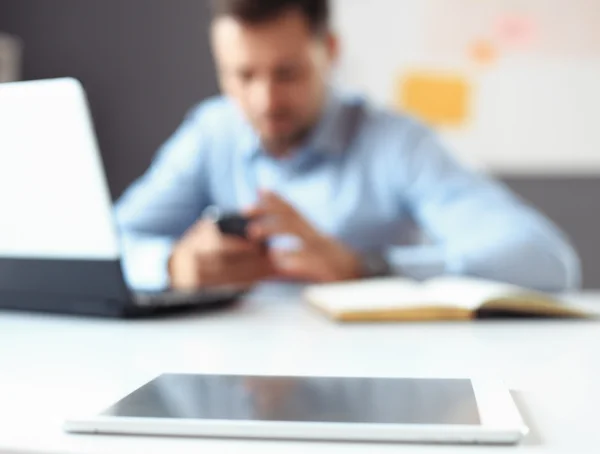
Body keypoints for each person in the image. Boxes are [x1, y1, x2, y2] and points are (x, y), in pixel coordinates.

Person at [115, 0, 580, 293]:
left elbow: (545, 261)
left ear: (330, 51)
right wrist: (172, 265)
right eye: (243, 76)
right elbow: (103, 247)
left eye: (288, 73)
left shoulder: (396, 144)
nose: (265, 100)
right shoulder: (210, 133)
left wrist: (366, 265)